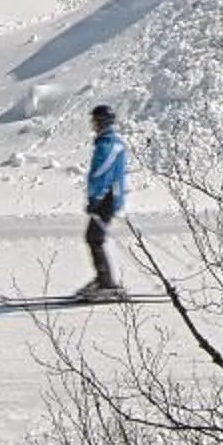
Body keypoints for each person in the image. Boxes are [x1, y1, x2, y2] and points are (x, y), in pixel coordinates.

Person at [76, 103, 129, 300]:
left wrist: (96, 198)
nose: (92, 124)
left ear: (102, 121)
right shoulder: (108, 142)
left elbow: (101, 172)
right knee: (94, 237)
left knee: (94, 237)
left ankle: (106, 283)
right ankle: (103, 279)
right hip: (108, 197)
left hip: (107, 198)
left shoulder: (108, 144)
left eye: (94, 120)